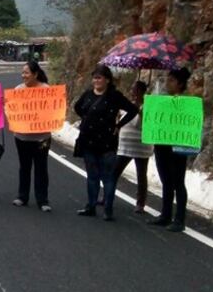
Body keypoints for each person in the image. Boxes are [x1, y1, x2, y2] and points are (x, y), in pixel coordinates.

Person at [73, 64, 137, 221]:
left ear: (107, 80)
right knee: (92, 176)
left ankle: (108, 209)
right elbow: (78, 107)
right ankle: (91, 206)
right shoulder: (88, 94)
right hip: (88, 140)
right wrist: (86, 119)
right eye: (94, 77)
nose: (96, 80)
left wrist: (118, 125)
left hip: (107, 142)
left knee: (108, 177)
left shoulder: (115, 96)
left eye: (99, 77)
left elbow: (133, 110)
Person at [149, 67, 193, 232]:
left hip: (177, 147)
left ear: (180, 84)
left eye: (172, 80)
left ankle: (179, 219)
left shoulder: (186, 103)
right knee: (166, 181)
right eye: (168, 79)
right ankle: (165, 214)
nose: (168, 83)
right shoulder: (162, 100)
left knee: (178, 182)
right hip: (162, 144)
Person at [12, 60, 53, 211]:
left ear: (35, 74)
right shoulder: (18, 89)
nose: (24, 75)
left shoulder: (46, 89)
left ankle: (42, 200)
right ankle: (22, 196)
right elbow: (12, 110)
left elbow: (53, 109)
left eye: (27, 73)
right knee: (24, 167)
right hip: (22, 136)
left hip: (42, 137)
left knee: (41, 167)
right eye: (22, 73)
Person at [111, 80, 154, 213]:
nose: (133, 92)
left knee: (141, 175)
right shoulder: (126, 105)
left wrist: (139, 111)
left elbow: (142, 124)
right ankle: (108, 196)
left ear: (142, 92)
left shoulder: (148, 106)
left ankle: (140, 203)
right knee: (115, 172)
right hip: (125, 145)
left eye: (136, 90)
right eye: (132, 90)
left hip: (141, 146)